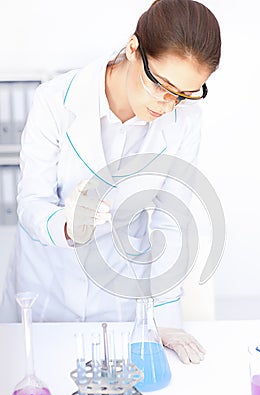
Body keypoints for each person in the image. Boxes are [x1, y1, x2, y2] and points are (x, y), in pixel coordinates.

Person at [0, 0, 221, 364]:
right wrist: (69, 226)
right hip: (45, 290)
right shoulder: (56, 101)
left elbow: (170, 220)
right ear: (134, 48)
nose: (167, 105)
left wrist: (166, 318)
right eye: (162, 85)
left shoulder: (185, 123)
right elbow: (31, 204)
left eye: (184, 94)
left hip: (119, 299)